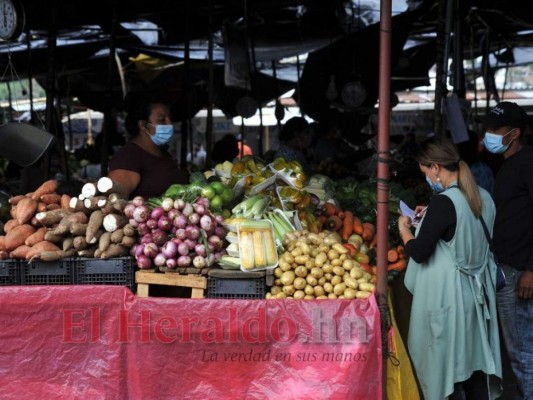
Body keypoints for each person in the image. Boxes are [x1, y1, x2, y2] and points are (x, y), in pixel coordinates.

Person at [397, 136, 502, 400]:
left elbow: (420, 252)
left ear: (435, 167)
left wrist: (404, 230)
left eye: (425, 171)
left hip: (450, 299)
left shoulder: (445, 203)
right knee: (475, 366)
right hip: (477, 300)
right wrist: (429, 217)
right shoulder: (484, 196)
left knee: (448, 370)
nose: (426, 178)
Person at [482, 101, 533, 399]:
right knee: (520, 351)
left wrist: (531, 268)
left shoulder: (528, 163)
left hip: (520, 272)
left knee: (523, 353)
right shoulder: (507, 164)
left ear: (514, 133)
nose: (488, 134)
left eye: (495, 129)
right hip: (510, 268)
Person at [108, 96, 189, 199]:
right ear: (143, 125)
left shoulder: (164, 153)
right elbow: (115, 200)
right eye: (162, 120)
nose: (169, 124)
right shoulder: (129, 157)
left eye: (170, 119)